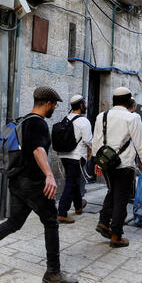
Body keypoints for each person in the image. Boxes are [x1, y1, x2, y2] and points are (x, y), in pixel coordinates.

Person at [0, 86, 78, 283]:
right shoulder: (38, 124)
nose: (55, 108)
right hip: (33, 183)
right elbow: (38, 150)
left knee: (15, 222)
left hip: (17, 181)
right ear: (49, 103)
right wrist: (49, 175)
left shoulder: (23, 121)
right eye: (55, 104)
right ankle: (53, 272)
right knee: (51, 222)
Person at [93, 86, 142, 248]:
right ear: (128, 101)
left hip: (107, 162)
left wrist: (96, 162)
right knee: (121, 199)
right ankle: (116, 235)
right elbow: (141, 142)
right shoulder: (132, 118)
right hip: (124, 164)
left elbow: (97, 140)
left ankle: (104, 222)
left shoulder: (102, 116)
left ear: (114, 101)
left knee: (112, 192)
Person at [57, 95, 92, 223]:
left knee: (74, 179)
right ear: (81, 105)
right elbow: (88, 140)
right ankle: (62, 211)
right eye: (84, 103)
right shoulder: (84, 121)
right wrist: (90, 153)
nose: (86, 106)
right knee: (71, 182)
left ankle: (78, 205)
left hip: (64, 155)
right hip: (77, 156)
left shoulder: (66, 118)